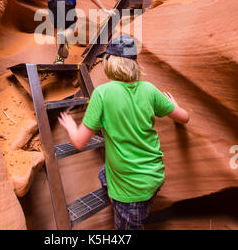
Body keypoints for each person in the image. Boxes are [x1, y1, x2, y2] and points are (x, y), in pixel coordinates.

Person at [58, 34, 189, 229]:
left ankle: (119, 197)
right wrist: (173, 105)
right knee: (105, 171)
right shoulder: (150, 90)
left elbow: (79, 143)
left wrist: (70, 126)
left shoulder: (102, 94)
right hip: (154, 175)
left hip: (132, 191)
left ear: (111, 62)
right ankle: (117, 193)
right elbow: (184, 117)